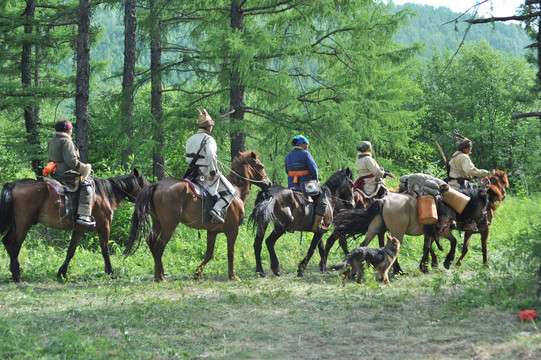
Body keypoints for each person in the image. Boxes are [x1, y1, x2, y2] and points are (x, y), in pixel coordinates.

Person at [185, 109, 237, 224]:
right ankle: (216, 210)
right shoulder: (209, 139)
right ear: (208, 127)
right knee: (232, 192)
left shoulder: (190, 139)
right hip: (205, 172)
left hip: (192, 173)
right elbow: (211, 154)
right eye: (211, 126)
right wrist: (213, 173)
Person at [46, 119, 94, 226]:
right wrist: (84, 168)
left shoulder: (52, 141)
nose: (71, 131)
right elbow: (71, 161)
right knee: (87, 185)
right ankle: (84, 215)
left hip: (55, 172)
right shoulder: (66, 141)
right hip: (65, 173)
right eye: (71, 129)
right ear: (68, 130)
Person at [285, 135, 329, 231]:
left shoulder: (288, 155)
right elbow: (313, 168)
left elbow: (286, 170)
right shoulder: (306, 154)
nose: (307, 146)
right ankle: (317, 225)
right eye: (306, 144)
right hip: (306, 185)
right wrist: (316, 179)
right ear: (301, 144)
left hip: (291, 185)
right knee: (323, 200)